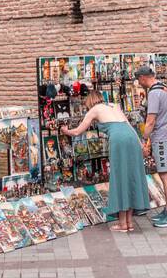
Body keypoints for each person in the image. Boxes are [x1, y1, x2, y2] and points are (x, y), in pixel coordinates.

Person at [60, 92, 149, 232]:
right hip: (132, 137)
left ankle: (122, 224)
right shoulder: (114, 105)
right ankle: (129, 222)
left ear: (89, 102)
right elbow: (130, 126)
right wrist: (141, 146)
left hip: (118, 139)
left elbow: (77, 132)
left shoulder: (94, 109)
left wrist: (65, 130)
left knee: (119, 177)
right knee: (132, 175)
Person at [137, 65, 167, 228]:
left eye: (139, 80)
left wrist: (144, 138)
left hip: (162, 138)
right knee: (165, 174)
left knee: (165, 175)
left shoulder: (154, 93)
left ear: (143, 78)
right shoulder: (164, 88)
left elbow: (151, 120)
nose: (139, 83)